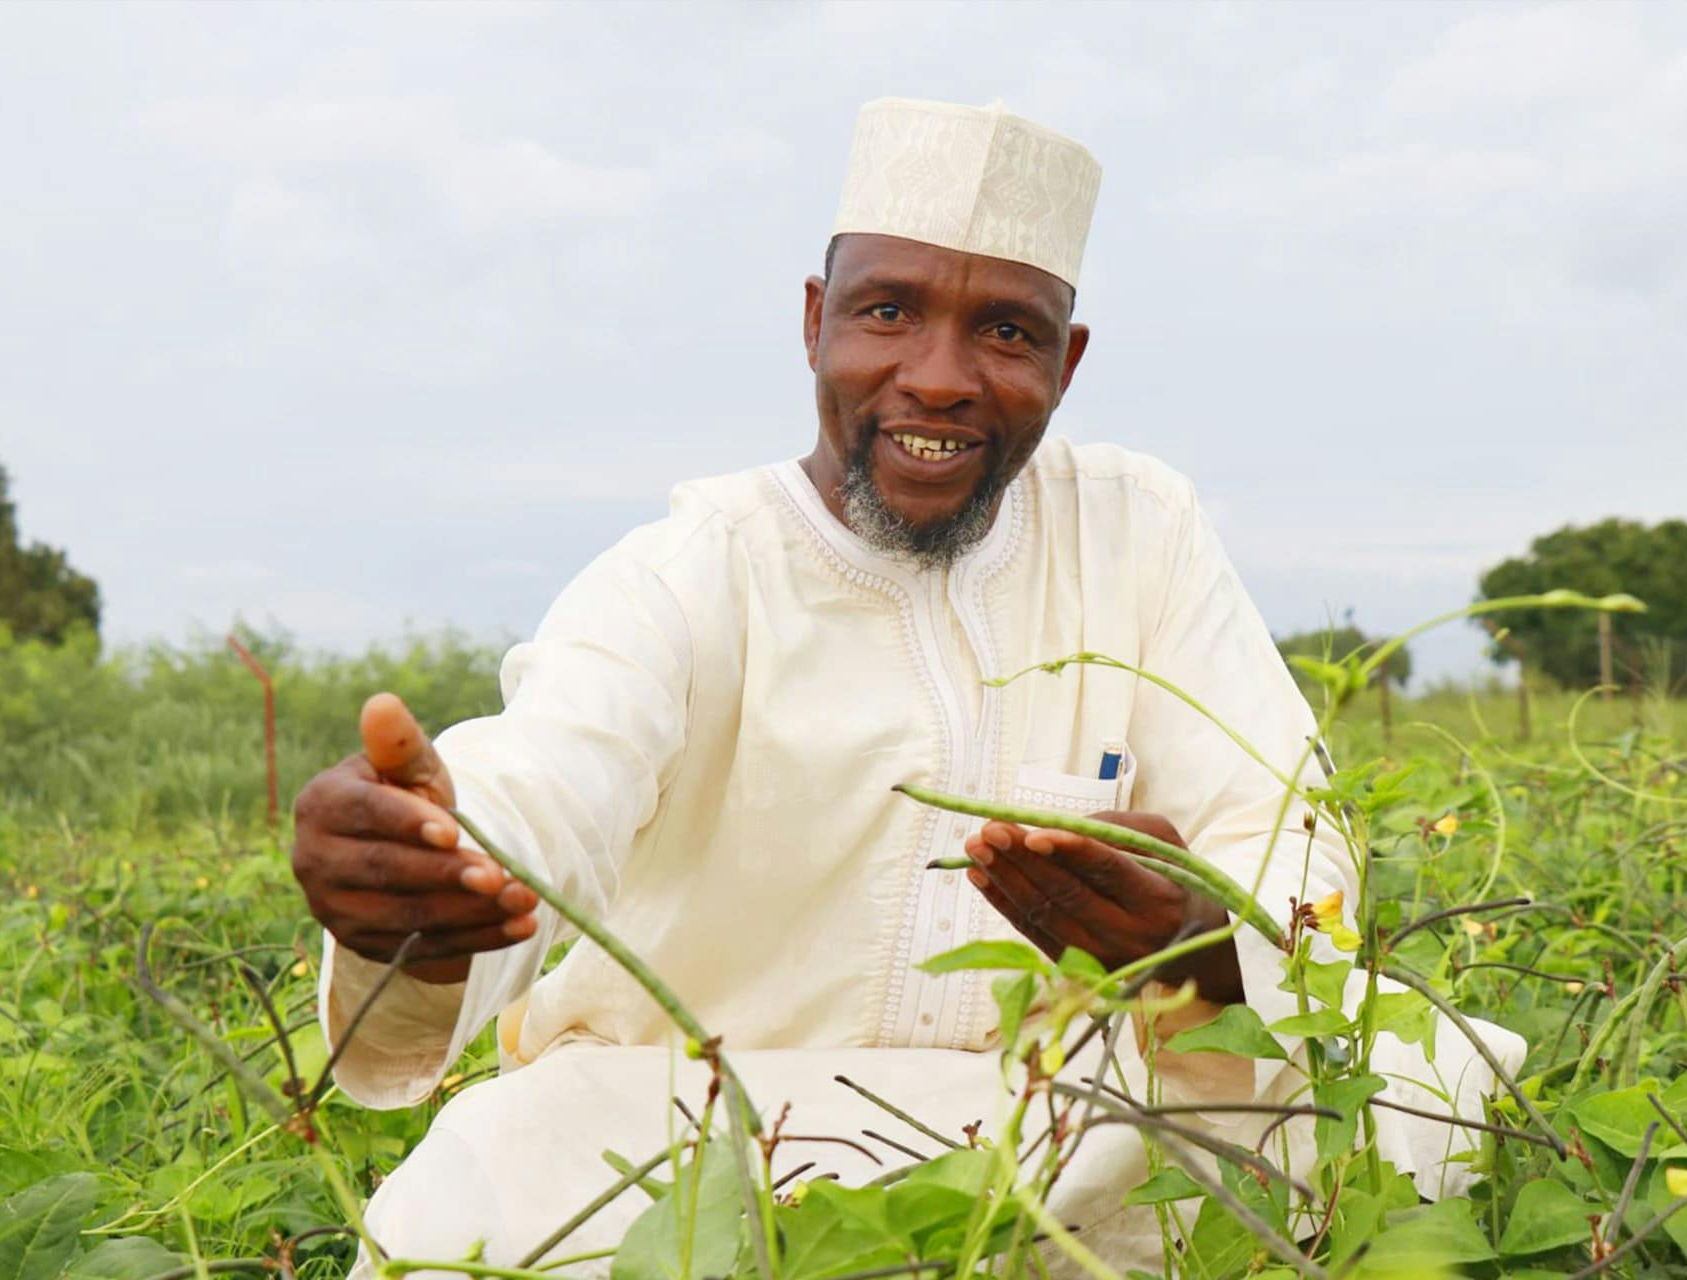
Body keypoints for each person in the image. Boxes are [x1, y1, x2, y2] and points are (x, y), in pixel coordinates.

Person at [291, 97, 1523, 1278]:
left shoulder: (1137, 531)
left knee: (1433, 1072)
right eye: (888, 311)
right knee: (496, 1193)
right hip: (703, 1127)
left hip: (1060, 1113)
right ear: (816, 320)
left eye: (1006, 331)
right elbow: (552, 779)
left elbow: (1285, 835)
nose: (938, 377)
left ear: (1067, 361)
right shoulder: (691, 570)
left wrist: (1197, 949)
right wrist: (442, 866)